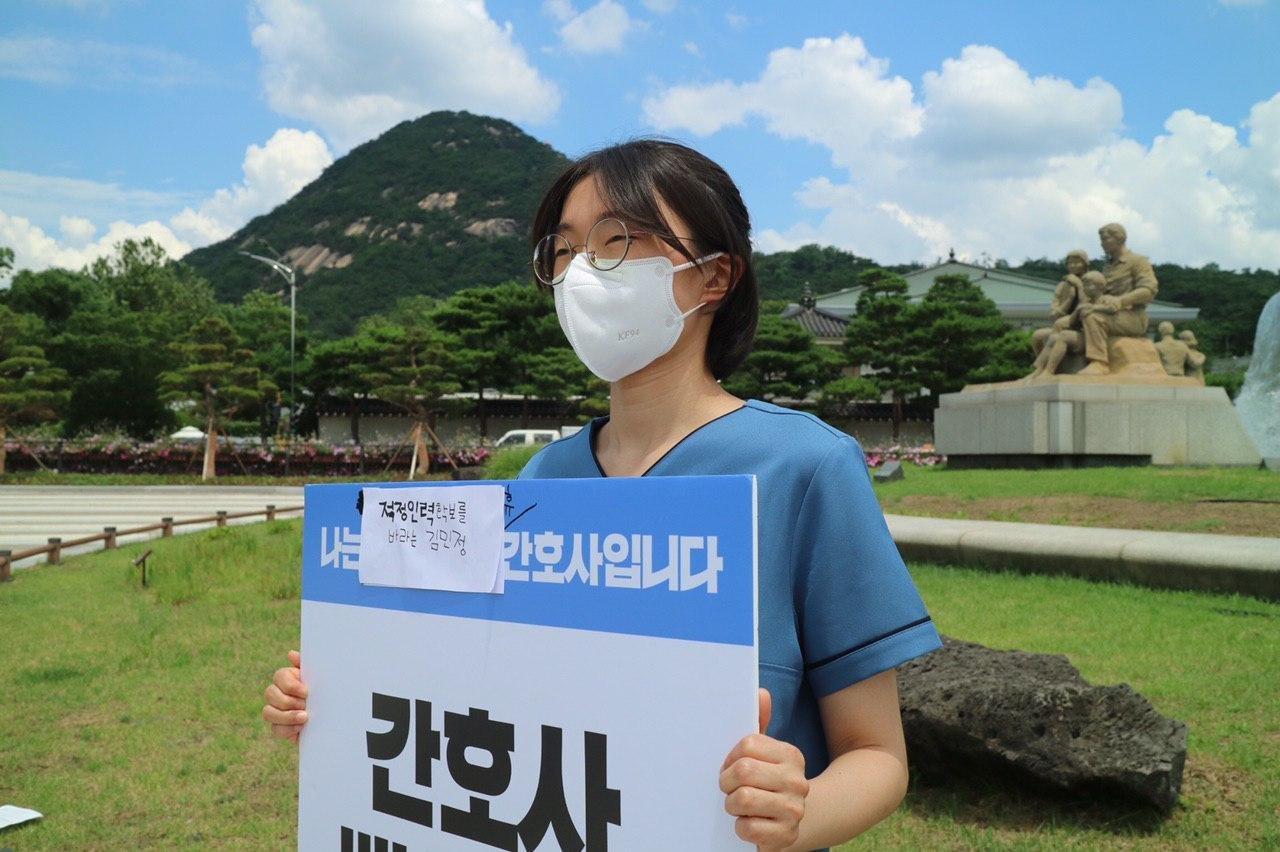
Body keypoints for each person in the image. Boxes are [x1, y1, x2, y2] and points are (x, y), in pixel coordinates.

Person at [264, 139, 942, 851]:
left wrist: (798, 811)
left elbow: (879, 757)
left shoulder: (805, 468)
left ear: (714, 276)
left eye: (617, 240)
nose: (581, 271)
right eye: (562, 251)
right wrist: (342, 699)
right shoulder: (540, 481)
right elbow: (486, 693)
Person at [1078, 223, 1159, 375]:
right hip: (1108, 312)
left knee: (1093, 317)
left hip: (1132, 316)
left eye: (1105, 239)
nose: (1102, 243)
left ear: (1119, 238)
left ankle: (1099, 363)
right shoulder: (1107, 267)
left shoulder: (1138, 261)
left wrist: (1121, 300)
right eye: (1101, 240)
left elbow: (1149, 290)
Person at [1030, 271, 1106, 378]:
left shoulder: (1105, 301)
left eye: (1088, 284)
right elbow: (1071, 321)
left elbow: (1111, 310)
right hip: (1080, 335)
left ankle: (1049, 371)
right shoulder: (1085, 302)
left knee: (1064, 335)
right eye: (1084, 285)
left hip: (1091, 339)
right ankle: (1041, 369)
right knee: (1053, 338)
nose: (1085, 288)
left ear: (1100, 286)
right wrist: (1077, 311)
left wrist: (1092, 308)